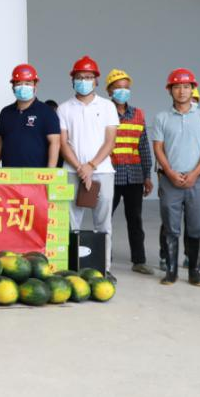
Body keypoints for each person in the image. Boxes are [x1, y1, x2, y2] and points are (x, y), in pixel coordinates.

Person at [57, 56, 119, 280]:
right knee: (71, 221)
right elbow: (63, 143)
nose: (84, 81)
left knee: (103, 222)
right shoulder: (64, 108)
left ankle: (104, 267)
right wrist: (80, 167)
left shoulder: (107, 106)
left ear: (96, 80)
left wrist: (91, 166)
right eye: (80, 77)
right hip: (72, 172)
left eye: (89, 77)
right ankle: (72, 267)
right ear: (72, 80)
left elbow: (110, 141)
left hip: (102, 172)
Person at [153, 68, 200, 287]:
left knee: (196, 226)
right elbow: (158, 148)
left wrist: (195, 173)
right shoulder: (161, 118)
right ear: (169, 90)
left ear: (193, 89)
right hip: (170, 180)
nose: (182, 91)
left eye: (186, 87)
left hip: (198, 180)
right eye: (177, 87)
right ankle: (171, 271)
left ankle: (194, 271)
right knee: (170, 226)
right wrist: (169, 172)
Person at [105, 69, 155, 275]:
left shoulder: (138, 114)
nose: (122, 91)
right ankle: (104, 258)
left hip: (134, 175)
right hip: (110, 174)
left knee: (135, 219)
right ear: (109, 91)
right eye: (118, 88)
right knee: (105, 219)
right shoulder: (104, 113)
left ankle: (139, 260)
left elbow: (143, 147)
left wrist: (147, 176)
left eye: (126, 88)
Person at [0, 64, 61, 168]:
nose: (23, 87)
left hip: (37, 174)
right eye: (19, 83)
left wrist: (50, 172)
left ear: (35, 85)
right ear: (13, 87)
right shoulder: (5, 112)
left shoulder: (47, 112)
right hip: (9, 174)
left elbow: (55, 143)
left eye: (28, 83)